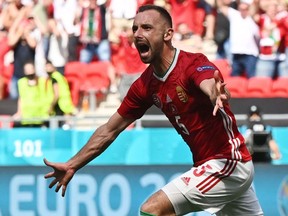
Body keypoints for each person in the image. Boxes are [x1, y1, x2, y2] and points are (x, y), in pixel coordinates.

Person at [44, 5, 263, 215]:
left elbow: (208, 82)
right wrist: (72, 164)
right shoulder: (144, 85)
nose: (137, 34)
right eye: (135, 29)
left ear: (168, 34)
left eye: (147, 28)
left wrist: (215, 93)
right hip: (215, 165)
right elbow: (109, 130)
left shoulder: (192, 63)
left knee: (152, 210)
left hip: (227, 162)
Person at [13, 61, 49, 127]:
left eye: (31, 69)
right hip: (26, 115)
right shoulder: (21, 82)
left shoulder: (42, 81)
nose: (29, 71)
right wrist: (19, 112)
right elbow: (21, 98)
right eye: (27, 69)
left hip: (40, 114)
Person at [45, 60, 76, 127]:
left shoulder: (54, 78)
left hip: (59, 105)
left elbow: (57, 94)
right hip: (65, 104)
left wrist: (51, 106)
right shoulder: (60, 76)